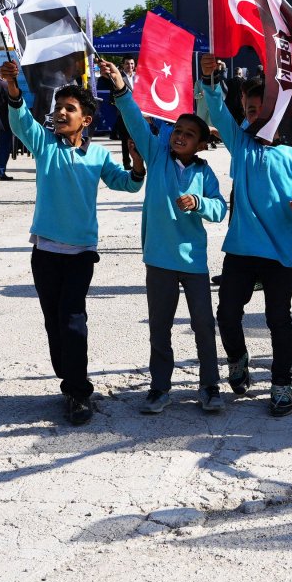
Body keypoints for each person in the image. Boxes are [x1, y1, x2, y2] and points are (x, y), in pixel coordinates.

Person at [5, 76, 142, 425]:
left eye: (71, 108)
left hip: (81, 253)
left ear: (87, 120)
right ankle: (68, 377)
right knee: (54, 320)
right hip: (46, 252)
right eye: (58, 108)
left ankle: (79, 392)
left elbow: (124, 183)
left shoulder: (96, 155)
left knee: (72, 318)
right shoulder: (45, 145)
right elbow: (22, 124)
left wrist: (138, 165)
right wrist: (15, 93)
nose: (62, 113)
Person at [99, 61, 227, 414]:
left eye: (189, 133)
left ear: (201, 145)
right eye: (177, 130)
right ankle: (160, 387)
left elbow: (220, 209)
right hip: (158, 260)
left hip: (194, 263)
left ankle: (210, 386)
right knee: (160, 328)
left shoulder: (205, 173)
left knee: (204, 325)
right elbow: (136, 122)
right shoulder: (156, 155)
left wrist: (199, 203)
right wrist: (122, 88)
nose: (180, 135)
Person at [195, 54, 292, 416]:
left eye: (260, 109)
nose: (252, 115)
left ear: (277, 111)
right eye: (247, 109)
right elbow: (217, 108)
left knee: (279, 320)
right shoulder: (241, 145)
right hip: (241, 249)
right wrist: (210, 78)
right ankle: (238, 358)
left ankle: (280, 385)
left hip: (279, 253)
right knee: (227, 314)